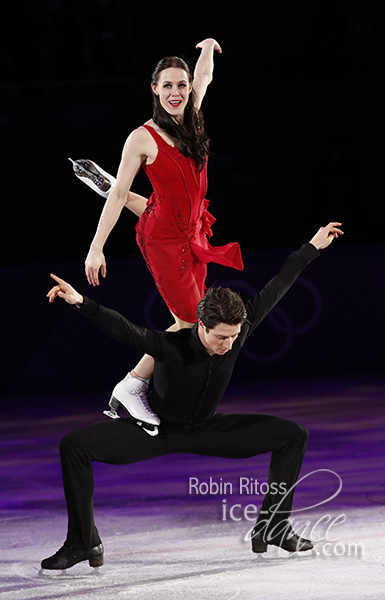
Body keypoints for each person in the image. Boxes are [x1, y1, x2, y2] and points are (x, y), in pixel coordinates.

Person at [41, 222, 343, 571]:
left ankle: (273, 526)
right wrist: (80, 302)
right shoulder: (171, 346)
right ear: (201, 325)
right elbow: (123, 329)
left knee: (293, 435)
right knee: (73, 446)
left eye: (232, 337)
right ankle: (83, 541)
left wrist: (312, 246)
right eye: (220, 338)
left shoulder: (237, 333)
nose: (227, 345)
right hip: (155, 430)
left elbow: (278, 284)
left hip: (208, 429)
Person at [73, 38, 243, 431]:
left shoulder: (192, 115)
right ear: (154, 89)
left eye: (181, 85)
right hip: (165, 242)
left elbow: (205, 75)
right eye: (167, 86)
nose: (176, 92)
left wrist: (206, 49)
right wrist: (96, 248)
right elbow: (119, 198)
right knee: (188, 322)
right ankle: (132, 385)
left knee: (162, 207)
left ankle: (105, 183)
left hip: (190, 226)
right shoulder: (142, 137)